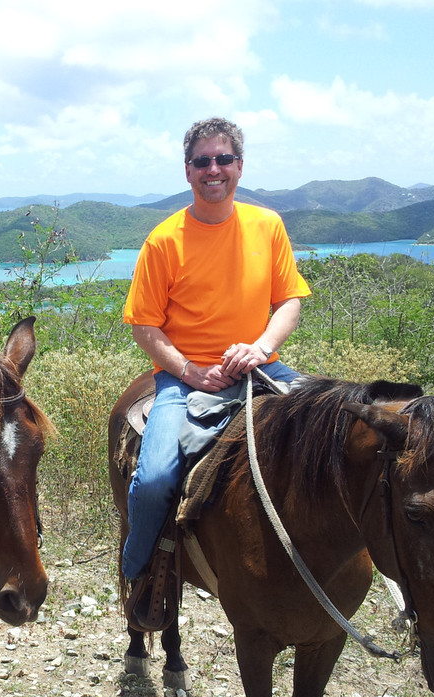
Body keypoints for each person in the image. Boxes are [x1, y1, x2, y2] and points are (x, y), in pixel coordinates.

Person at [121, 117, 312, 584]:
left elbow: (288, 301)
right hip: (182, 380)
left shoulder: (267, 226)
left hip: (264, 369)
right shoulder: (164, 241)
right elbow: (144, 326)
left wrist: (261, 346)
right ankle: (139, 576)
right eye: (202, 161)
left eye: (223, 159)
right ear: (187, 172)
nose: (214, 169)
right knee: (155, 481)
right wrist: (191, 372)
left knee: (342, 436)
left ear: (239, 167)